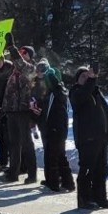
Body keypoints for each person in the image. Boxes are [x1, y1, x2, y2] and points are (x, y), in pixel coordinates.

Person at [70, 63, 108, 210]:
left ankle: (100, 198)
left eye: (88, 75)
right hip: (87, 138)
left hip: (101, 138)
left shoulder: (96, 92)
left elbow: (106, 114)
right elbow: (83, 95)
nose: (86, 78)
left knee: (101, 170)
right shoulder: (75, 92)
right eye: (83, 76)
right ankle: (84, 199)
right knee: (87, 169)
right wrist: (91, 79)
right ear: (77, 80)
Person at [0, 34, 37, 184]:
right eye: (20, 52)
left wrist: (11, 47)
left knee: (27, 143)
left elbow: (20, 63)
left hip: (23, 111)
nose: (21, 55)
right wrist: (3, 109)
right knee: (14, 144)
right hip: (12, 112)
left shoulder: (30, 68)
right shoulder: (13, 72)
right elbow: (8, 93)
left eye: (24, 53)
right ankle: (13, 173)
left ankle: (32, 174)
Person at [37, 64, 75, 193]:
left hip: (55, 129)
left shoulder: (56, 92)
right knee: (59, 156)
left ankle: (53, 182)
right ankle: (67, 182)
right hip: (57, 129)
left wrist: (46, 126)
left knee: (52, 157)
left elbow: (48, 113)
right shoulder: (57, 92)